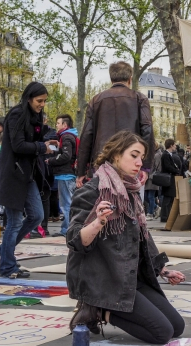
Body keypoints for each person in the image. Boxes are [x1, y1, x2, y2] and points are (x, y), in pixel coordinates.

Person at [67, 131, 185, 344]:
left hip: (130, 276)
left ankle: (106, 310)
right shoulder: (92, 191)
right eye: (134, 155)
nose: (139, 163)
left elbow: (142, 238)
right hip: (105, 279)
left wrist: (162, 270)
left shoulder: (130, 190)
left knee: (177, 327)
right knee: (162, 333)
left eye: (142, 157)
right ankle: (98, 310)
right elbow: (76, 241)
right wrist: (98, 222)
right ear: (115, 155)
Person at [0, 82, 54, 279]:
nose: (42, 104)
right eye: (39, 101)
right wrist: (42, 147)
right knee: (15, 222)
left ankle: (5, 249)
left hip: (26, 175)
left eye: (44, 101)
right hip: (13, 175)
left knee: (36, 216)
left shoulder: (34, 116)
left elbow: (32, 140)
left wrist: (46, 140)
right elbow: (18, 145)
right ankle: (8, 267)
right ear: (29, 98)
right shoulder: (17, 114)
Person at [76, 60, 155, 189]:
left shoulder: (96, 100)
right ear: (130, 79)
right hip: (131, 160)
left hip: (102, 161)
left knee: (104, 202)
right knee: (131, 203)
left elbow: (86, 136)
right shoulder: (139, 99)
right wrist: (144, 166)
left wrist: (81, 171)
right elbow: (147, 131)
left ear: (111, 79)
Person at [45, 114, 77, 237]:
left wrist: (51, 160)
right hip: (68, 174)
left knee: (66, 204)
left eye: (58, 123)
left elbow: (66, 156)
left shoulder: (67, 136)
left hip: (65, 174)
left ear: (65, 125)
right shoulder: (70, 135)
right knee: (68, 203)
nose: (56, 125)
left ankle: (66, 230)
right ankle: (68, 229)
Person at [160, 139, 181, 223]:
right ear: (171, 145)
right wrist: (176, 170)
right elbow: (168, 166)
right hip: (168, 179)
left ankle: (167, 215)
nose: (175, 147)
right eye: (174, 145)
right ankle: (165, 216)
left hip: (169, 178)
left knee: (169, 198)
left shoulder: (168, 154)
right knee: (167, 199)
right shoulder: (166, 155)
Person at [144, 144, 163, 220]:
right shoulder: (152, 154)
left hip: (152, 178)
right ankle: (156, 207)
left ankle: (150, 213)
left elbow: (159, 167)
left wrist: (152, 175)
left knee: (150, 196)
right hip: (148, 177)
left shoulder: (157, 155)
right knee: (146, 196)